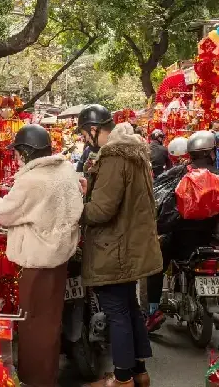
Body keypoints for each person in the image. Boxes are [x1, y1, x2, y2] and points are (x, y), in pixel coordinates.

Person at [0, 124, 82, 387]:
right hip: (60, 256)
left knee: (33, 323)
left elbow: (5, 213)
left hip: (38, 261)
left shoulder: (33, 180)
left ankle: (36, 380)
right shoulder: (65, 170)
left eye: (18, 152)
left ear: (27, 151)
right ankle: (47, 375)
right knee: (50, 321)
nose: (16, 158)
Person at [79, 105, 162, 387]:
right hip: (129, 245)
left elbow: (102, 210)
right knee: (128, 307)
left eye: (84, 134)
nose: (84, 140)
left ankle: (123, 378)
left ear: (93, 130)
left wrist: (77, 208)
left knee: (117, 311)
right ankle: (139, 372)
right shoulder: (133, 153)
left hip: (114, 248)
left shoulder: (114, 158)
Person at [146, 131, 219, 332]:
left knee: (155, 267)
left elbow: (159, 198)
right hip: (212, 242)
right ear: (212, 153)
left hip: (180, 241)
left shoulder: (178, 174)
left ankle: (153, 312)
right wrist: (217, 241)